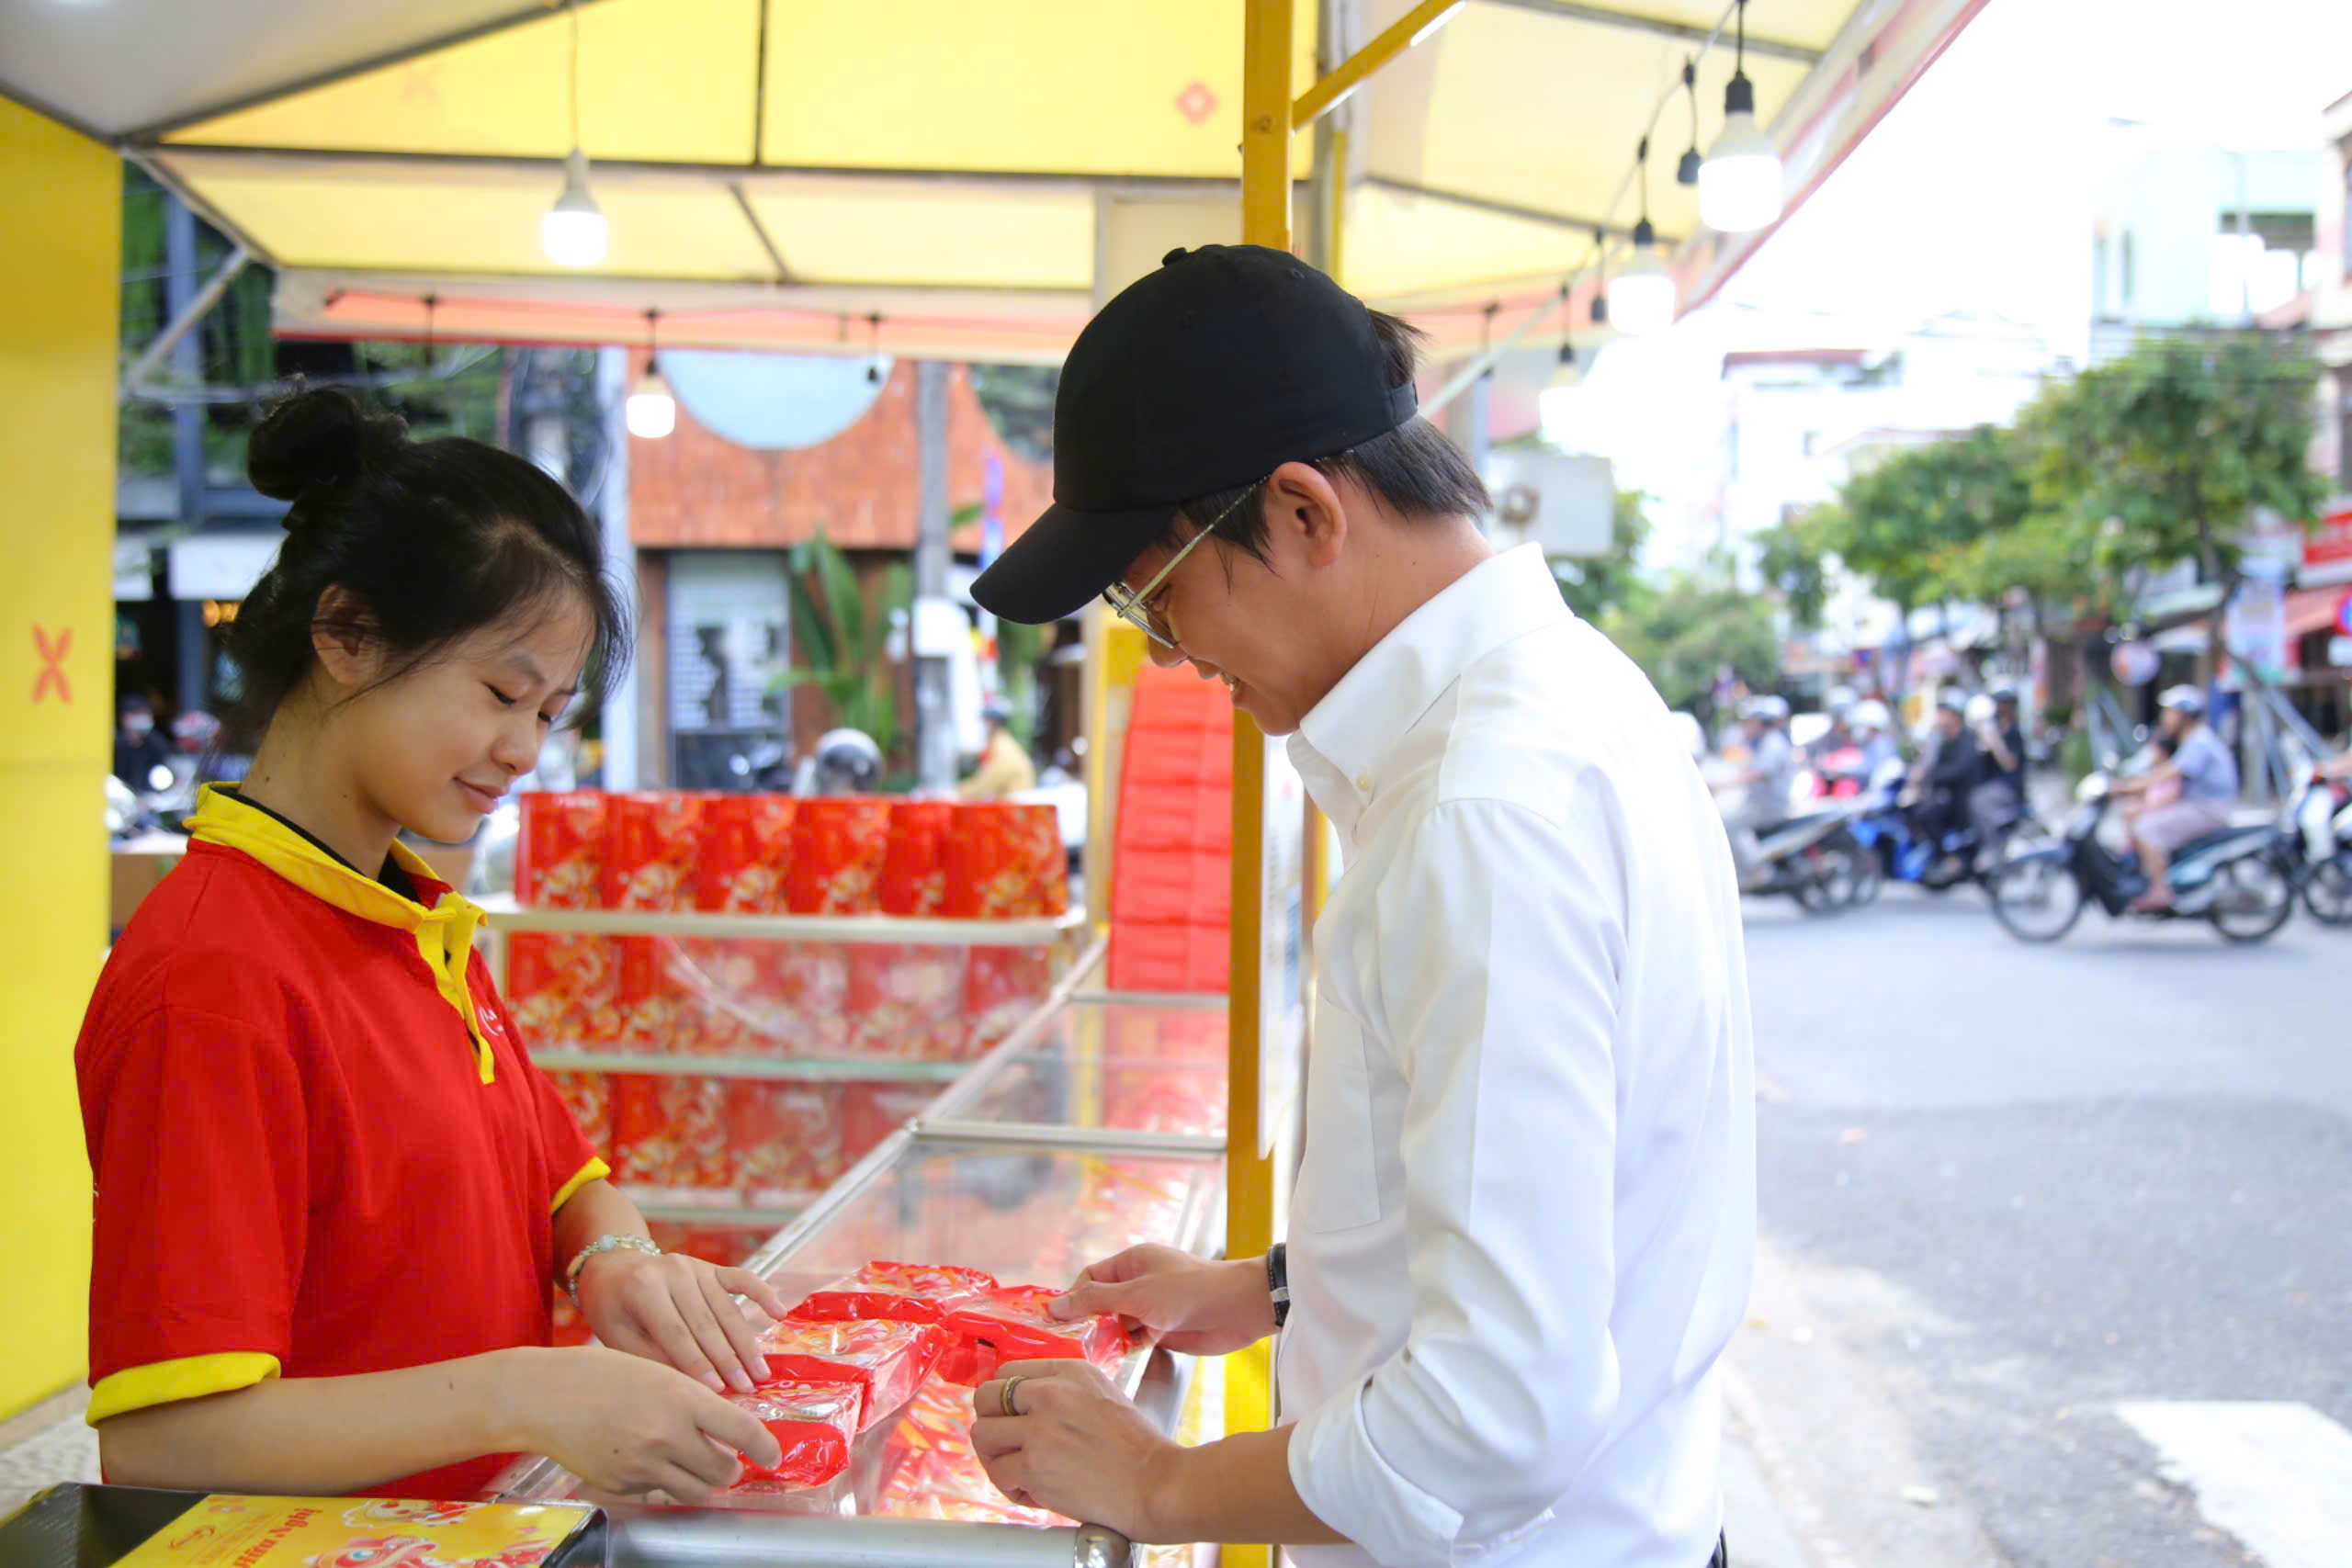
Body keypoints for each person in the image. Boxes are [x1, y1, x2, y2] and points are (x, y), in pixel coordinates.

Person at [961, 244, 1750, 1568]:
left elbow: (1499, 1413)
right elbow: (1573, 1181)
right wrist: (1282, 1283)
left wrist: (1156, 1480)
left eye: (1157, 601)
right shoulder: (1572, 697)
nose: (1172, 657)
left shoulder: (1478, 808)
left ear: (1306, 513)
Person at [74, 388, 788, 1504]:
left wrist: (614, 1261)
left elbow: (558, 1180)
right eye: (504, 693)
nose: (522, 751)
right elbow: (167, 1439)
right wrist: (530, 1393)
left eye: (550, 713)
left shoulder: (407, 922)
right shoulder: (213, 976)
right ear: (347, 636)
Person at [2109, 684, 2238, 911]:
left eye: (2170, 713)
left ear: (2185, 716)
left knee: (2145, 829)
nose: (2165, 718)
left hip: (2208, 808)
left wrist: (2127, 787)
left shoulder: (2199, 741)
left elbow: (2168, 773)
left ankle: (2160, 891)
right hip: (2197, 804)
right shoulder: (2191, 740)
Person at [1720, 694, 1796, 872]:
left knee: (1725, 824)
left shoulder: (1773, 743)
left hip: (1767, 807)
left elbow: (1759, 774)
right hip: (1759, 803)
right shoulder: (1763, 742)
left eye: (1751, 721)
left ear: (1761, 722)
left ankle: (1752, 870)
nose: (1747, 725)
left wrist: (1722, 785)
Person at [1910, 691, 1983, 867]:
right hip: (1946, 794)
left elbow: (1960, 770)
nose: (1939, 717)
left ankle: (1949, 858)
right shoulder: (1943, 738)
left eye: (1942, 713)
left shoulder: (1968, 738)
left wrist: (1930, 776)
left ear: (1954, 715)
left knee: (1927, 814)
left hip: (1964, 798)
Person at [1965, 686, 2029, 869]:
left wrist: (1995, 742)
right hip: (1991, 783)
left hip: (2009, 787)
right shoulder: (1994, 727)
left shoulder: (2013, 732)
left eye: (2004, 704)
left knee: (1978, 801)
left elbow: (2009, 763)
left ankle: (1993, 848)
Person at [958, 698, 1037, 800]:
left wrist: (960, 791)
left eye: (985, 721)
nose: (983, 726)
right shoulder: (999, 743)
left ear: (993, 723)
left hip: (1015, 806)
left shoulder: (1003, 747)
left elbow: (990, 781)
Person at [112, 694, 175, 793]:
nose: (142, 718)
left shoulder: (157, 742)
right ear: (124, 717)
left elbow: (165, 768)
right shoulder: (114, 744)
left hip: (152, 794)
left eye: (145, 713)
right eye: (137, 714)